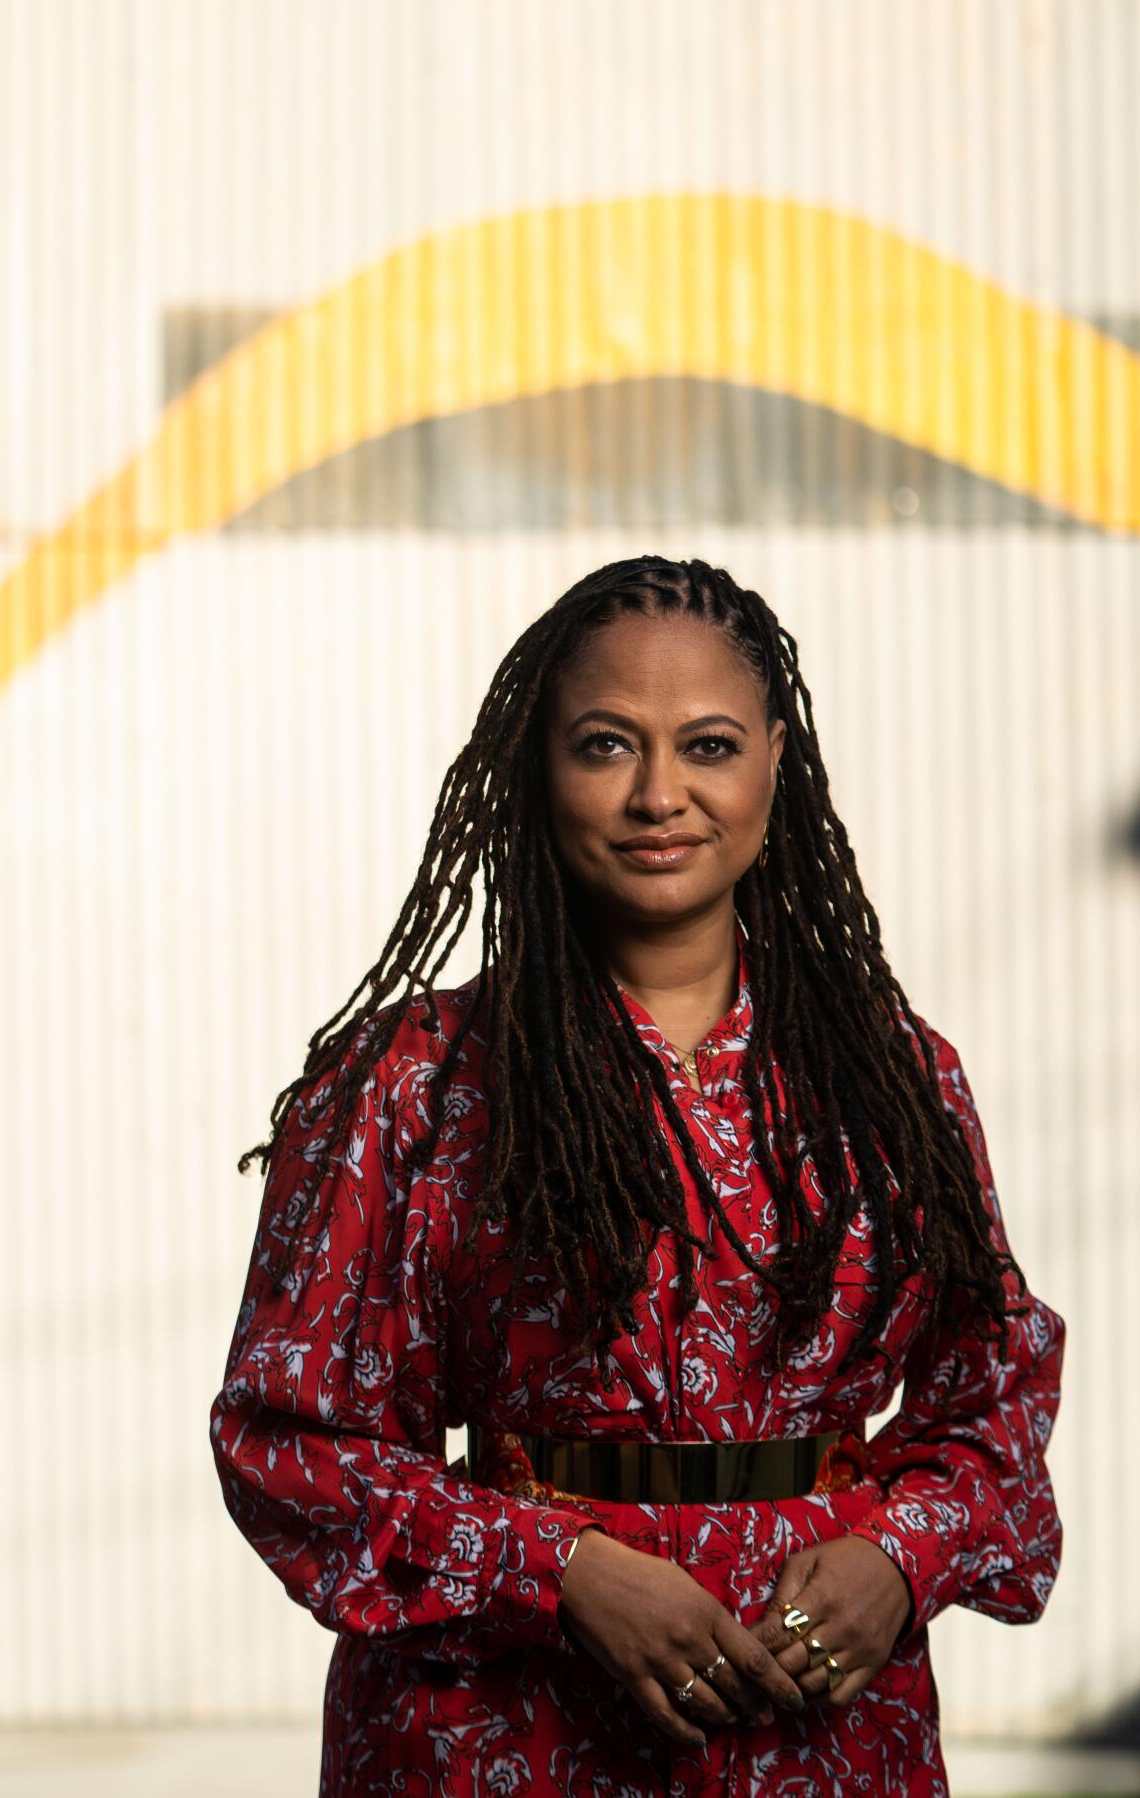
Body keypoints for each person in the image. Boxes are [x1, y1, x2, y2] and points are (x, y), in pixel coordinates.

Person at [209, 555, 1064, 1798]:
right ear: (536, 771)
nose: (661, 794)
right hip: (495, 1732)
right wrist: (556, 1573)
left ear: (777, 757)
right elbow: (287, 1442)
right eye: (606, 745)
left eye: (708, 744)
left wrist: (896, 1557)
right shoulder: (409, 1084)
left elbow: (990, 1397)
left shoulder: (894, 1079)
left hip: (818, 1727)